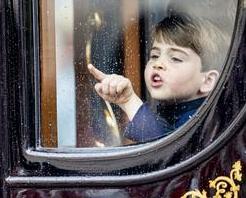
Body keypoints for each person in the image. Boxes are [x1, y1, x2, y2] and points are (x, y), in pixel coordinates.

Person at [88, 13, 229, 143]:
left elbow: (166, 151)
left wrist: (129, 101)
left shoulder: (205, 121)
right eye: (155, 55)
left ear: (208, 81)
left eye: (175, 58)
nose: (158, 64)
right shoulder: (168, 110)